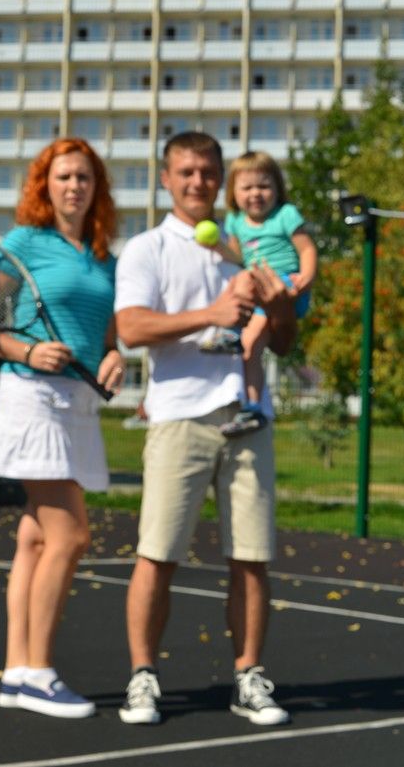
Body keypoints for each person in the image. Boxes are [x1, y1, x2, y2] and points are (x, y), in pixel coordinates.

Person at [113, 132, 298, 727]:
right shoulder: (147, 248)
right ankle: (143, 677)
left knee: (252, 558)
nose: (198, 182)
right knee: (157, 554)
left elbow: (284, 342)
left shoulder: (247, 246)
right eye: (186, 172)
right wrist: (211, 316)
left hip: (248, 419)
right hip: (178, 419)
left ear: (223, 179)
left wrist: (282, 307)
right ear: (166, 179)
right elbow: (131, 328)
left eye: (208, 173)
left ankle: (249, 677)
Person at [0, 138, 126, 719]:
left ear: (96, 187)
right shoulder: (24, 243)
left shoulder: (104, 257)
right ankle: (39, 673)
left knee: (35, 539)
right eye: (63, 176)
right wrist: (27, 351)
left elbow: (105, 335)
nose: (74, 186)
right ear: (45, 185)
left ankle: (17, 672)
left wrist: (115, 356)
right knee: (70, 536)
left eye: (84, 177)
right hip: (31, 398)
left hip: (79, 403)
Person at [211, 151, 318, 437]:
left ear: (277, 189)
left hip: (285, 285)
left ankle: (231, 335)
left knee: (248, 337)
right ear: (234, 193)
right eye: (247, 187)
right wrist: (217, 247)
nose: (255, 193)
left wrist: (306, 277)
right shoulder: (235, 221)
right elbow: (237, 256)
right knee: (250, 350)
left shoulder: (285, 215)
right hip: (256, 286)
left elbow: (306, 248)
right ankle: (253, 406)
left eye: (264, 186)